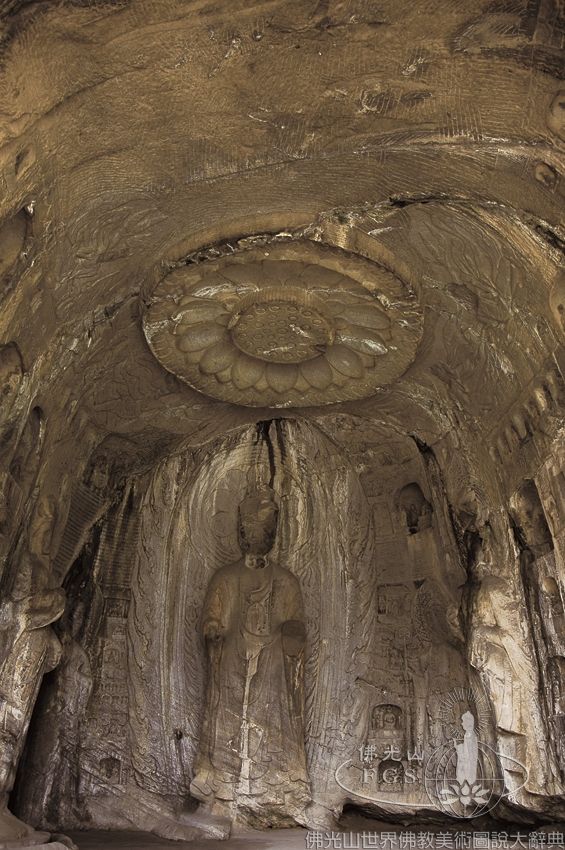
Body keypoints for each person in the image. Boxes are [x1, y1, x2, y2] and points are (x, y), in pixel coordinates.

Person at [190, 487, 310, 821]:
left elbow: (296, 624)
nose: (260, 535)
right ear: (241, 532)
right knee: (227, 715)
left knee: (271, 717)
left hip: (271, 661)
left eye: (268, 530)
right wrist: (214, 630)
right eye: (253, 528)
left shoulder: (286, 581)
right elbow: (211, 618)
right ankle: (223, 785)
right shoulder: (225, 577)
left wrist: (289, 636)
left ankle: (271, 788)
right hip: (232, 657)